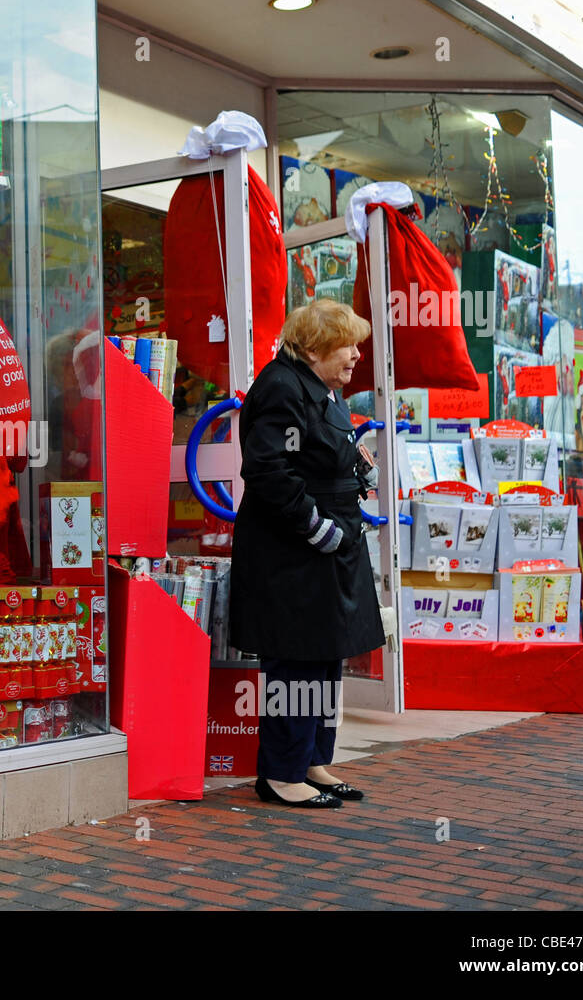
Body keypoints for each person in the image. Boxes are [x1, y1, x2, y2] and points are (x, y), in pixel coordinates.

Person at [229, 298, 385, 808]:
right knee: (295, 662)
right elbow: (270, 471)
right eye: (347, 344)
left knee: (323, 657)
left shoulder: (320, 388)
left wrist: (356, 466)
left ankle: (311, 760)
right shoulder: (280, 387)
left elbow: (321, 452)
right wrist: (317, 527)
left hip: (326, 548)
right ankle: (280, 773)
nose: (357, 354)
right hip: (293, 553)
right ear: (316, 347)